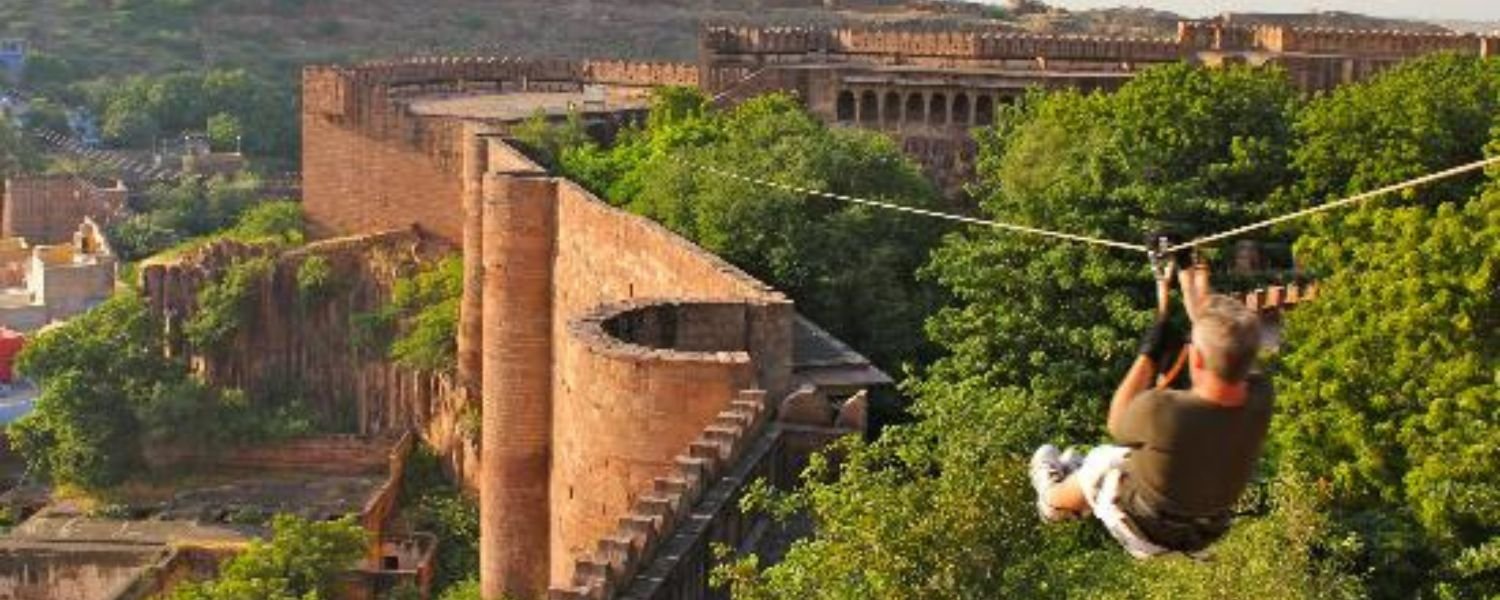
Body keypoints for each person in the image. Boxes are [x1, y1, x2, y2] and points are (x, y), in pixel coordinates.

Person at [1028, 263, 1273, 558]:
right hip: (1204, 529)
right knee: (1124, 460)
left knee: (1102, 460)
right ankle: (1074, 478)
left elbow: (1117, 421)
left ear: (1195, 358)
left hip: (1145, 526)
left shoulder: (1165, 412)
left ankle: (1053, 502)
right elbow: (1226, 346)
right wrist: (1187, 270)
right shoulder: (1260, 397)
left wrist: (1149, 354)